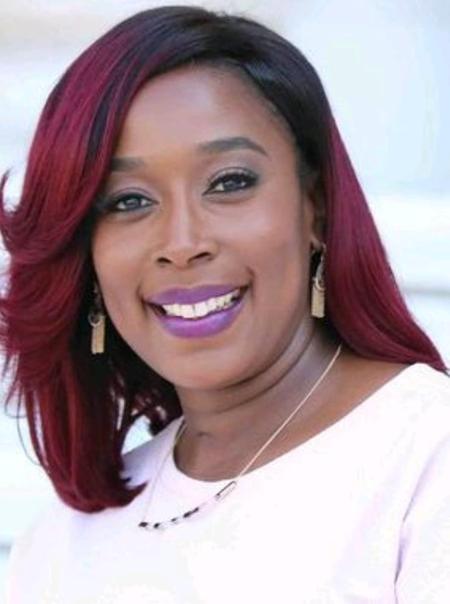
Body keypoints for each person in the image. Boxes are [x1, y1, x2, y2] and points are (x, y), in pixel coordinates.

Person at [1, 6, 449, 603]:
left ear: (316, 207)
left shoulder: (427, 458)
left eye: (229, 182)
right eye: (128, 201)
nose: (183, 243)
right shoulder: (60, 541)